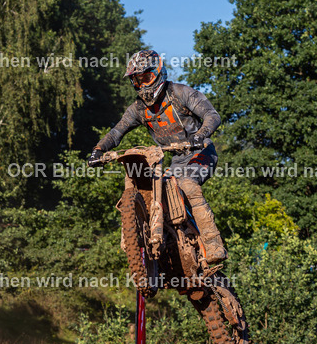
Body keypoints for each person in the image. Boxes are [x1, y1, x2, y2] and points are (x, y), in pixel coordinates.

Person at [87, 50, 226, 265]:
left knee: (188, 185)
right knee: (156, 194)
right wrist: (98, 150)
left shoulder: (180, 93)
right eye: (137, 80)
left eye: (147, 78)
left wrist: (200, 136)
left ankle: (213, 243)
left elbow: (212, 115)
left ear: (158, 72)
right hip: (176, 160)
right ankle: (173, 246)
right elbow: (116, 132)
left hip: (201, 151)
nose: (143, 85)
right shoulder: (138, 109)